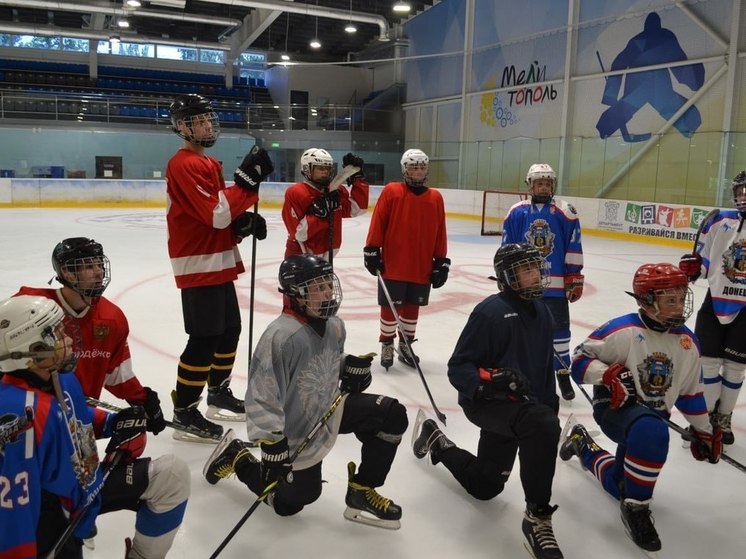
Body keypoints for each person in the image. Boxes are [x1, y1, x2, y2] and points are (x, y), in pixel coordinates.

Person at [203, 254, 408, 529]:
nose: (328, 292)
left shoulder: (335, 325)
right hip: (293, 430)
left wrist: (348, 367)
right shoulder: (280, 337)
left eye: (328, 283)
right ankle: (238, 458)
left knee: (392, 415)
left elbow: (323, 361)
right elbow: (261, 395)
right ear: (297, 294)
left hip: (328, 407)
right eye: (318, 286)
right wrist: (271, 441)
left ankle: (362, 489)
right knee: (293, 502)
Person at [0, 295, 190, 559]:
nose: (67, 340)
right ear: (28, 349)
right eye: (55, 334)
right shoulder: (16, 416)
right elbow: (14, 507)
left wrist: (112, 423)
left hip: (85, 493)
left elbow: (70, 413)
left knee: (171, 476)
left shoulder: (61, 377)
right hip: (53, 519)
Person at [411, 243, 564, 559]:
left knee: (485, 487)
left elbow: (542, 366)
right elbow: (459, 368)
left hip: (524, 408)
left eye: (536, 267)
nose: (535, 275)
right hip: (488, 403)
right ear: (507, 276)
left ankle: (439, 442)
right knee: (540, 422)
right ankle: (537, 517)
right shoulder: (490, 312)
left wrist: (548, 401)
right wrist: (490, 379)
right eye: (526, 269)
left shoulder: (544, 314)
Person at [562, 263, 721, 554]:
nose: (679, 306)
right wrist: (607, 376)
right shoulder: (622, 330)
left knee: (620, 484)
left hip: (651, 418)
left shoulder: (689, 342)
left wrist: (705, 432)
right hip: (615, 409)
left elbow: (689, 395)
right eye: (669, 299)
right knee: (651, 433)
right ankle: (636, 509)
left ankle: (582, 444)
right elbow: (580, 362)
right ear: (646, 301)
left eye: (681, 297)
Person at [166, 93, 274, 442]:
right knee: (204, 337)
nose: (209, 125)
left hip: (217, 261)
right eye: (200, 120)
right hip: (199, 264)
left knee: (229, 330)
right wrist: (245, 187)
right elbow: (216, 215)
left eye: (210, 119)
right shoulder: (184, 164)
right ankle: (184, 410)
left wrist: (238, 227)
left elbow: (217, 216)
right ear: (183, 126)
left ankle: (218, 393)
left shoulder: (207, 163)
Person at [16, 237, 166, 437]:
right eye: (88, 266)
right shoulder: (31, 307)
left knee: (133, 435)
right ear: (67, 272)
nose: (99, 272)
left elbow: (115, 370)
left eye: (99, 264)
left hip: (76, 418)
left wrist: (142, 399)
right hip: (27, 416)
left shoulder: (112, 318)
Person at [502, 163, 583, 401]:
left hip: (556, 287)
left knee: (560, 332)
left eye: (548, 183)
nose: (544, 187)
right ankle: (523, 372)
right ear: (530, 184)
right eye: (539, 183)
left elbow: (573, 244)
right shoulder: (516, 212)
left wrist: (574, 275)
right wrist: (507, 275)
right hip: (525, 283)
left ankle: (563, 373)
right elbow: (508, 246)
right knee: (522, 329)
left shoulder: (566, 211)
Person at [364, 148, 449, 370]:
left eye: (422, 167)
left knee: (413, 308)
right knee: (390, 307)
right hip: (394, 263)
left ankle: (406, 344)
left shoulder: (435, 198)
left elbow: (440, 231)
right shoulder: (392, 191)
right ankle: (387, 343)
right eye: (414, 167)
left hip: (421, 265)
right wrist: (372, 249)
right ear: (405, 169)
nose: (418, 171)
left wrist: (441, 261)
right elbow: (379, 221)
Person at [679, 170, 746, 445]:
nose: (743, 197)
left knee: (734, 368)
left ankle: (724, 416)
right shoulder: (719, 220)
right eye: (740, 191)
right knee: (707, 363)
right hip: (715, 301)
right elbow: (704, 262)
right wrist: (695, 268)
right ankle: (705, 416)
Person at [282, 148, 369, 259]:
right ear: (307, 168)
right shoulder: (296, 193)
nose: (325, 171)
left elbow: (358, 209)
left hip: (327, 257)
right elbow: (299, 234)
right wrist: (319, 212)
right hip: (300, 257)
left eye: (328, 168)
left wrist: (358, 179)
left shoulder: (335, 191)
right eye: (320, 168)